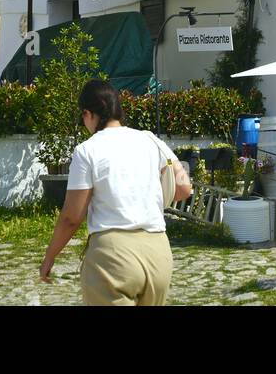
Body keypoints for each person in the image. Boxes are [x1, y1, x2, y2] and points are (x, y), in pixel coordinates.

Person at [39, 78, 192, 306]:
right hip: (158, 252)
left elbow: (72, 217)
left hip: (113, 255)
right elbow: (184, 188)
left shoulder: (87, 150)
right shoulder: (150, 140)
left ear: (89, 113)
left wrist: (49, 256)